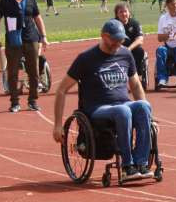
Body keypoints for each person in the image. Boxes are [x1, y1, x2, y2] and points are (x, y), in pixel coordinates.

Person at [52, 20, 154, 181]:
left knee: (143, 106)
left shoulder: (125, 54)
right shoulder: (86, 59)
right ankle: (127, 166)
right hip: (97, 108)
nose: (118, 43)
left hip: (122, 103)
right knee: (123, 111)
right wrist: (58, 124)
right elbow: (62, 90)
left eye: (121, 40)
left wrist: (149, 119)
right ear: (104, 36)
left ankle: (141, 162)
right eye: (115, 40)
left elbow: (135, 85)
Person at [0, 0, 49, 112]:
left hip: (31, 39)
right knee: (12, 73)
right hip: (13, 41)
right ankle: (14, 102)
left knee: (34, 72)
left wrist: (44, 36)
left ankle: (33, 100)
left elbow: (38, 18)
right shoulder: (5, 1)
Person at [114, 2, 145, 76]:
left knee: (140, 50)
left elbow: (140, 40)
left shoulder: (135, 23)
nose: (124, 14)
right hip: (116, 49)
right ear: (117, 14)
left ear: (129, 12)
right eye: (121, 12)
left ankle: (136, 73)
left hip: (131, 49)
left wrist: (129, 49)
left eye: (125, 11)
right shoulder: (113, 24)